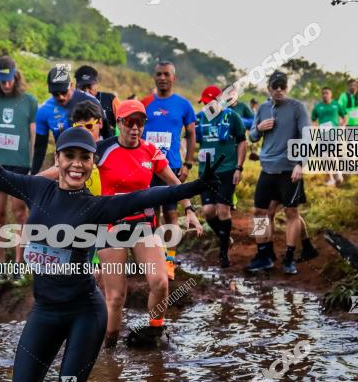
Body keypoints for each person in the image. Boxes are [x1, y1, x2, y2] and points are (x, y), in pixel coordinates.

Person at [0, 89, 221, 382]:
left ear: (93, 163)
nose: (77, 164)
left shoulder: (96, 207)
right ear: (59, 157)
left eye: (85, 157)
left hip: (84, 312)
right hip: (45, 311)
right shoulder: (37, 190)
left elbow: (148, 195)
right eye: (70, 156)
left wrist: (196, 187)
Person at [39, 100, 202, 347]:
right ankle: (110, 347)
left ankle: (153, 333)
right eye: (129, 122)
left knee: (160, 282)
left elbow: (174, 183)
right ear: (119, 124)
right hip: (110, 228)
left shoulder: (151, 151)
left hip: (142, 225)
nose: (135, 128)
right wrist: (27, 183)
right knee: (116, 297)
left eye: (140, 122)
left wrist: (189, 209)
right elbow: (63, 168)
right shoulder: (101, 150)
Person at [0, 56, 38, 267]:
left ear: (16, 76)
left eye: (9, 79)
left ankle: (20, 264)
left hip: (20, 165)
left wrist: (33, 166)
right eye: (2, 80)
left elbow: (33, 136)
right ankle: (0, 264)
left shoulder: (29, 101)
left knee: (20, 213)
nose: (6, 84)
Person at [248, 71, 310, 275]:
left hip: (289, 169)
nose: (279, 90)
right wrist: (259, 127)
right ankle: (263, 254)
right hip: (267, 169)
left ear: (287, 87)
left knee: (291, 212)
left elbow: (306, 136)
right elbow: (253, 136)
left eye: (282, 85)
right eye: (275, 86)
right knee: (259, 212)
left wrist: (301, 164)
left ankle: (289, 258)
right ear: (269, 88)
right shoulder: (263, 108)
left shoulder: (297, 107)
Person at [140, 61, 197, 279]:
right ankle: (155, 258)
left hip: (172, 166)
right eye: (158, 74)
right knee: (151, 215)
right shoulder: (145, 103)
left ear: (174, 78)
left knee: (171, 214)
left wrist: (188, 163)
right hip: (147, 168)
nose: (162, 78)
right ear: (154, 77)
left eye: (166, 74)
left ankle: (170, 261)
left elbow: (191, 134)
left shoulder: (183, 105)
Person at [196, 85, 247, 268]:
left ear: (218, 100)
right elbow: (191, 140)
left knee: (223, 210)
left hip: (227, 170)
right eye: (204, 103)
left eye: (209, 102)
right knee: (208, 211)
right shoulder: (199, 118)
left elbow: (242, 141)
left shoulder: (232, 116)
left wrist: (239, 168)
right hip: (206, 172)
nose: (206, 106)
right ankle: (226, 237)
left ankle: (223, 254)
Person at [32, 66, 102, 174]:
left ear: (72, 86)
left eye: (64, 92)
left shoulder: (91, 101)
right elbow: (40, 148)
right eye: (56, 94)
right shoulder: (44, 111)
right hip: (66, 162)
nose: (61, 97)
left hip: (93, 160)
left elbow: (108, 134)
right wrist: (33, 174)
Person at [312, 86, 348, 186]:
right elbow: (313, 119)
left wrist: (342, 126)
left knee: (332, 155)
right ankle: (331, 178)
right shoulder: (318, 106)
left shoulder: (336, 105)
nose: (325, 95)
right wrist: (315, 128)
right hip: (322, 135)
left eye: (327, 93)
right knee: (323, 157)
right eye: (323, 93)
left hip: (334, 134)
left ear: (331, 94)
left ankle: (338, 173)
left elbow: (345, 116)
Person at [74, 65, 119, 138]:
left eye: (89, 86)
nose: (86, 91)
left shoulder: (110, 99)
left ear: (96, 84)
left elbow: (124, 122)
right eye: (82, 87)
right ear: (76, 87)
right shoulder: (70, 103)